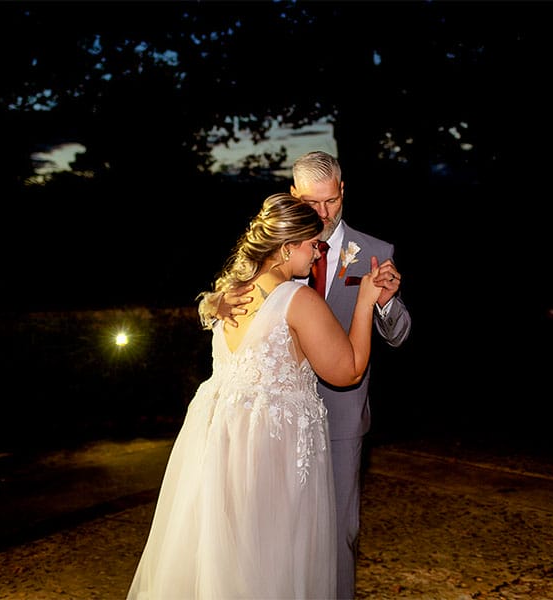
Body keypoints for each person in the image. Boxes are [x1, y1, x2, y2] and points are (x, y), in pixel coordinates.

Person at [126, 193, 382, 599]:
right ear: (286, 247)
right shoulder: (299, 300)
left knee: (228, 552)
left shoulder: (229, 293)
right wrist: (366, 302)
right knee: (274, 552)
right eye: (312, 244)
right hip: (272, 452)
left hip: (219, 449)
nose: (317, 254)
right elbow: (347, 370)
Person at [201, 151, 412, 599]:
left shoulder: (375, 252)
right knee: (271, 537)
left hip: (336, 418)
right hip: (270, 426)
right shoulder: (282, 248)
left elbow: (398, 335)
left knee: (336, 533)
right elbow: (230, 299)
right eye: (311, 204)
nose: (322, 214)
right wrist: (211, 305)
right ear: (293, 196)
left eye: (331, 202)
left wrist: (385, 304)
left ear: (343, 192)